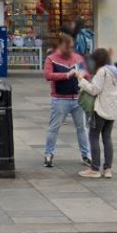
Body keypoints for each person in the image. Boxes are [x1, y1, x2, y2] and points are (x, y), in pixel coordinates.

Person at [42, 32, 91, 168]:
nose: (70, 50)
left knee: (81, 128)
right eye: (67, 48)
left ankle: (86, 155)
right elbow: (48, 75)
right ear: (61, 46)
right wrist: (67, 75)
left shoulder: (77, 58)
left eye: (71, 47)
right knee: (54, 127)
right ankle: (49, 154)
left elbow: (86, 74)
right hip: (59, 99)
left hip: (77, 98)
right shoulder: (51, 59)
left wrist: (82, 74)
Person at [78, 48, 117, 179]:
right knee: (107, 138)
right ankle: (108, 169)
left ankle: (95, 169)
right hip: (111, 110)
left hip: (100, 110)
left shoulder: (102, 71)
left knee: (94, 136)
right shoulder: (114, 71)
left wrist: (81, 80)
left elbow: (94, 90)